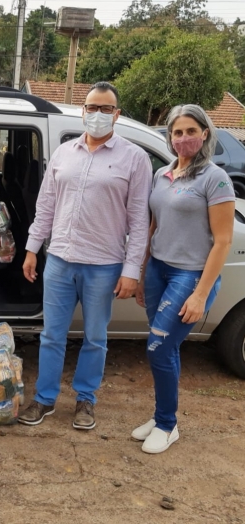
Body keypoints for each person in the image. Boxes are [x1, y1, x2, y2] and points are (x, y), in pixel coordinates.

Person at [19, 82, 153, 430]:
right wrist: (33, 248)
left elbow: (139, 222)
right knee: (51, 334)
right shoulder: (64, 153)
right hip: (60, 260)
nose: (97, 114)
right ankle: (44, 398)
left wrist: (131, 270)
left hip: (104, 265)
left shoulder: (135, 158)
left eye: (106, 109)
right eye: (92, 107)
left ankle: (85, 400)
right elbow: (46, 205)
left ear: (117, 114)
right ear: (83, 111)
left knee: (95, 337)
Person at [133, 105, 235, 454]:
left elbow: (222, 241)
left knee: (158, 347)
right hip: (159, 270)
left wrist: (200, 294)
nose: (184, 138)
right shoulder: (162, 174)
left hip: (190, 276)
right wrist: (143, 268)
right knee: (166, 347)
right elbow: (153, 225)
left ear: (205, 133)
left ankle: (167, 424)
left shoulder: (215, 178)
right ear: (170, 137)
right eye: (178, 132)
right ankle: (162, 415)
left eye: (191, 131)